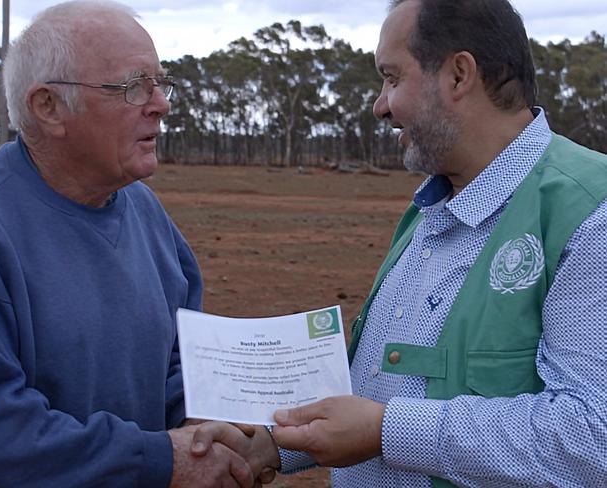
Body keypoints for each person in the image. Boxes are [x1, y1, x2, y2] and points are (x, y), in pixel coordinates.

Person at [194, 0, 607, 486]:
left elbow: (591, 438)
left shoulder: (589, 215)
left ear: (458, 75)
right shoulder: (432, 206)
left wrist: (385, 430)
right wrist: (272, 445)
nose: (380, 104)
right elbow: (383, 384)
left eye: (392, 77)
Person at [0, 1, 274, 486]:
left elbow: (174, 359)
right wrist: (160, 461)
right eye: (133, 87)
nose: (161, 104)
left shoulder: (146, 213)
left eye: (160, 83)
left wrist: (210, 427)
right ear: (49, 107)